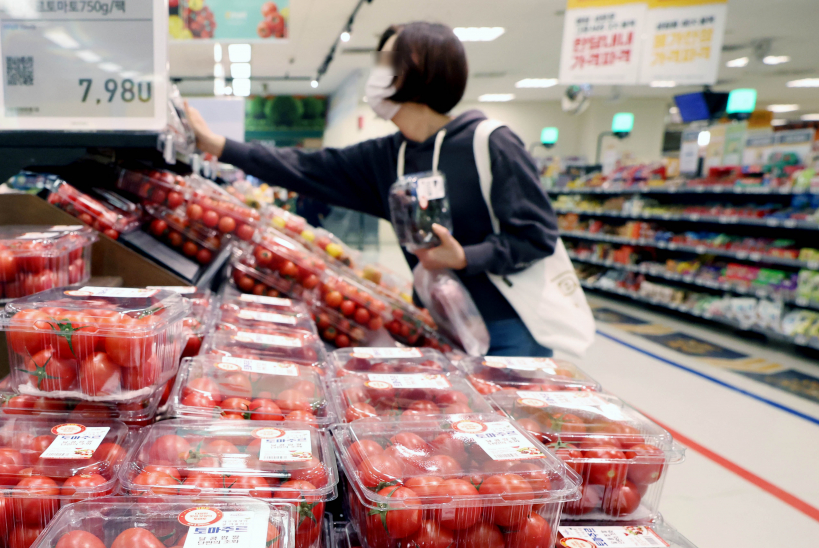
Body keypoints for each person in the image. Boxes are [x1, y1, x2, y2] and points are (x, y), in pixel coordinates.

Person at [186, 21, 585, 356]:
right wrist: (216, 144)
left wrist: (465, 257)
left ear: (422, 71)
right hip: (439, 325)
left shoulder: (490, 143)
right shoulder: (386, 157)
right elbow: (307, 167)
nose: (376, 73)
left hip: (508, 328)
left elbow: (537, 236)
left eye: (387, 61)